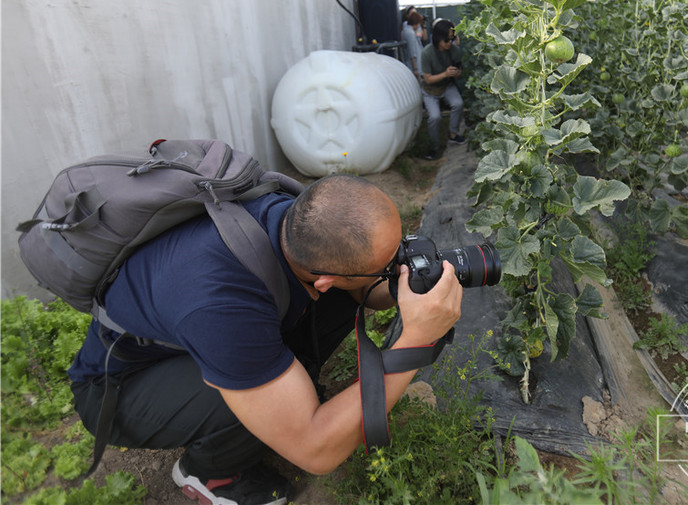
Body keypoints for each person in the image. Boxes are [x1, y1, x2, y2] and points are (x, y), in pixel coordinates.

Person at [68, 174, 463, 505]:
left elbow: (360, 287)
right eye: (389, 265)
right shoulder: (223, 307)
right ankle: (210, 473)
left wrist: (412, 283)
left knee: (341, 299)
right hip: (117, 389)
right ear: (324, 279)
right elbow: (317, 451)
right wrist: (416, 341)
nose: (398, 265)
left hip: (191, 331)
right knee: (265, 399)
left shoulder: (293, 219)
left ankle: (279, 391)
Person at [420, 18, 465, 159]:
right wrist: (445, 74)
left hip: (446, 86)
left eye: (452, 39)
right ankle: (433, 147)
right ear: (438, 39)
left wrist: (456, 73)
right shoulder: (427, 53)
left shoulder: (454, 51)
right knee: (434, 117)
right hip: (430, 90)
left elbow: (460, 72)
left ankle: (453, 134)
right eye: (446, 40)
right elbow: (428, 79)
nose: (450, 43)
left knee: (458, 104)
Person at [401, 10, 424, 83]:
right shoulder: (410, 33)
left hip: (411, 65)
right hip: (414, 67)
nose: (419, 26)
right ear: (416, 23)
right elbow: (412, 52)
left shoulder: (405, 31)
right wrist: (415, 69)